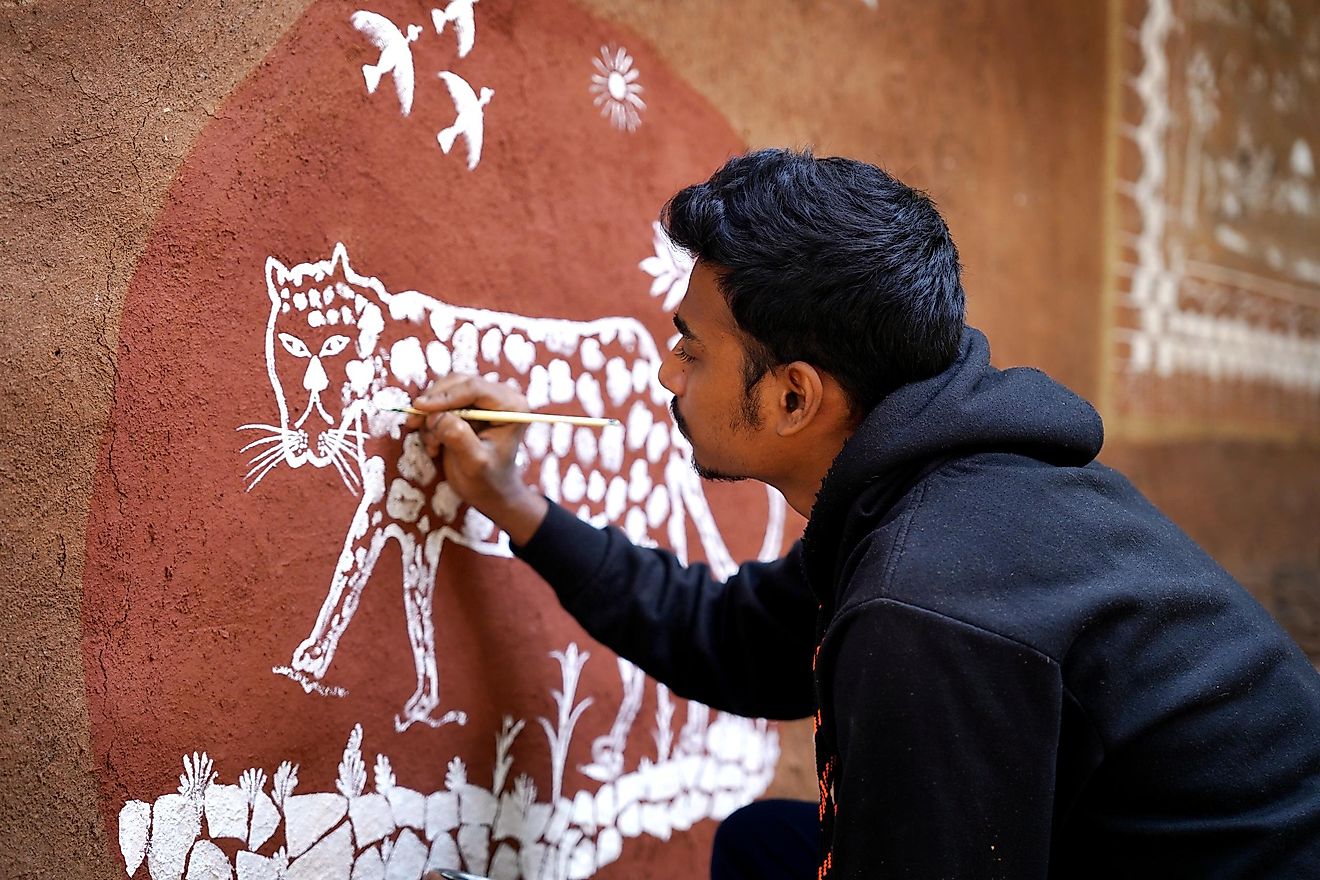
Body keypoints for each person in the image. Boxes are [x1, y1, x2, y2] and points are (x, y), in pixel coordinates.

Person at [412, 148, 1320, 878]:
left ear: (794, 398)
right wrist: (513, 503)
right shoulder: (931, 484)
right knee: (766, 846)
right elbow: (728, 637)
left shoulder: (927, 605)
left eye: (691, 349)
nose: (664, 372)